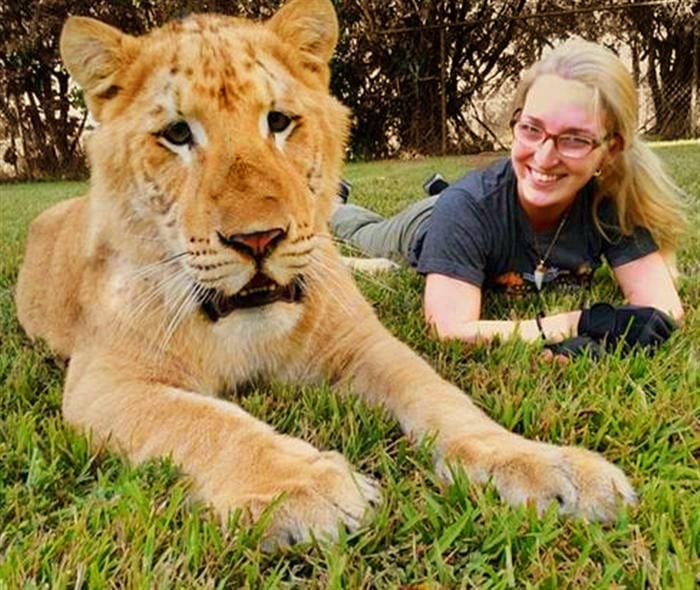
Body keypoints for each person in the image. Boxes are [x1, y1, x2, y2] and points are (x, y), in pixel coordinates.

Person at [331, 39, 686, 357]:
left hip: (474, 208)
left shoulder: (609, 202)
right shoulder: (466, 207)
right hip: (424, 227)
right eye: (532, 129)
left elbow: (662, 309)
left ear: (610, 150)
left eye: (574, 139)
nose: (544, 157)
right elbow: (449, 330)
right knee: (357, 229)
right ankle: (335, 199)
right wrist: (579, 322)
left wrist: (600, 346)